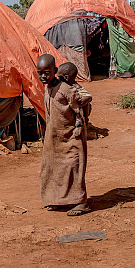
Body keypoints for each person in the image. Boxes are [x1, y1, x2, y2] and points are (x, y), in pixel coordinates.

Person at [37, 54, 93, 216]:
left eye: (47, 72)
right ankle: (58, 199)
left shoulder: (66, 89)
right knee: (53, 167)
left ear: (55, 70)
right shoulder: (48, 87)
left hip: (70, 136)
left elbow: (82, 103)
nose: (43, 76)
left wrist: (79, 127)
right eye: (39, 73)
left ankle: (80, 202)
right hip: (54, 137)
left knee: (73, 167)